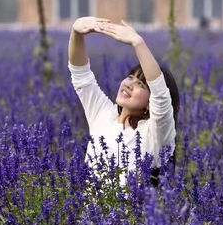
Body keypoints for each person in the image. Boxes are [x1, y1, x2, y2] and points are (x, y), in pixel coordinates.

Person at [68, 16, 180, 187]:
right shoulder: (104, 115)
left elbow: (161, 97)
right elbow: (81, 77)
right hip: (91, 213)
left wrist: (138, 43)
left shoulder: (155, 133)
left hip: (132, 214)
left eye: (140, 84)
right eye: (130, 77)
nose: (129, 84)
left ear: (151, 103)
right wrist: (76, 33)